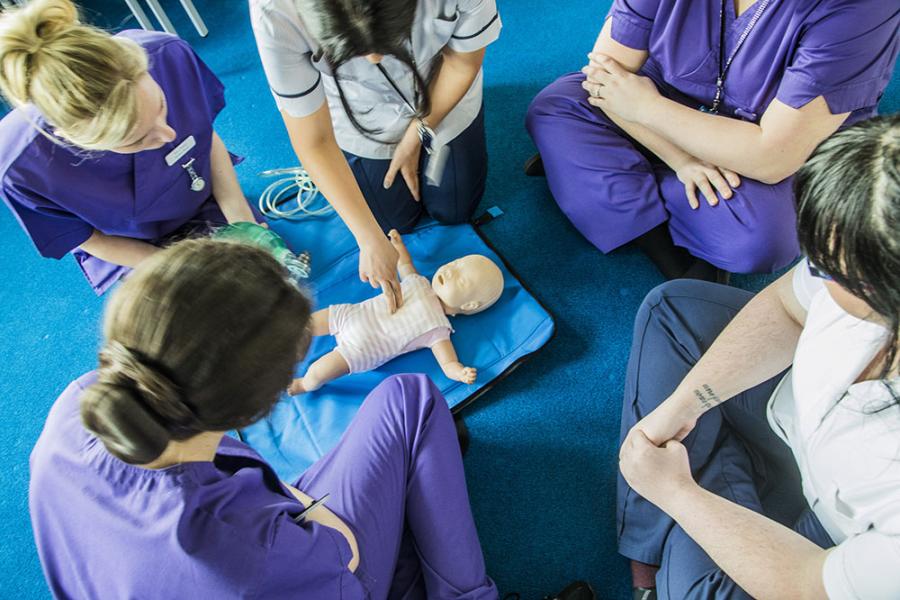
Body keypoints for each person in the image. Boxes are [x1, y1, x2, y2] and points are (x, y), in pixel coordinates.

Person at [28, 237, 500, 598]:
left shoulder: (78, 403)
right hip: (309, 569)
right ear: (253, 411)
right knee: (411, 400)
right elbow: (344, 555)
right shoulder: (247, 549)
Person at [615, 114, 900, 599]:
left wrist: (679, 494)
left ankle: (676, 507)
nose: (816, 276)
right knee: (674, 308)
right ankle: (657, 547)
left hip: (835, 545)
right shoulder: (866, 242)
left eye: (831, 271)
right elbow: (790, 308)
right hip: (794, 422)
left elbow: (808, 585)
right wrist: (688, 403)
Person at [526, 0, 899, 281]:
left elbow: (772, 158)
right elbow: (603, 73)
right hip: (664, 100)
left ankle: (608, 184)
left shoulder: (864, 8)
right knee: (556, 107)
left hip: (771, 132)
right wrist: (681, 160)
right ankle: (660, 231)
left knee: (762, 238)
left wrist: (647, 109)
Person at [250, 0, 501, 310]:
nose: (373, 58)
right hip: (360, 111)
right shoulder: (274, 11)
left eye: (389, 39)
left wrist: (418, 132)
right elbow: (313, 140)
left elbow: (463, 63)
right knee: (394, 223)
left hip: (440, 80)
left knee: (455, 210)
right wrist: (368, 239)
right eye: (352, 49)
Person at [0, 0, 264, 295]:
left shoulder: (166, 55)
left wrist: (242, 219)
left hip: (199, 191)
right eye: (137, 139)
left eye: (163, 107)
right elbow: (88, 238)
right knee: (200, 314)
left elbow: (203, 137)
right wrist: (181, 268)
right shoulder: (20, 168)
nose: (168, 134)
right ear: (72, 138)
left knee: (264, 280)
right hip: (127, 245)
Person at [290, 229, 504, 394]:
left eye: (461, 279)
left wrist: (460, 372)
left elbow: (447, 363)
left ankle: (304, 384)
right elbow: (405, 265)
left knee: (318, 372)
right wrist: (399, 248)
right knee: (303, 323)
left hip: (363, 349)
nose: (450, 271)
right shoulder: (419, 281)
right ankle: (283, 334)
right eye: (455, 264)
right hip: (351, 315)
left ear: (469, 305)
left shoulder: (439, 330)